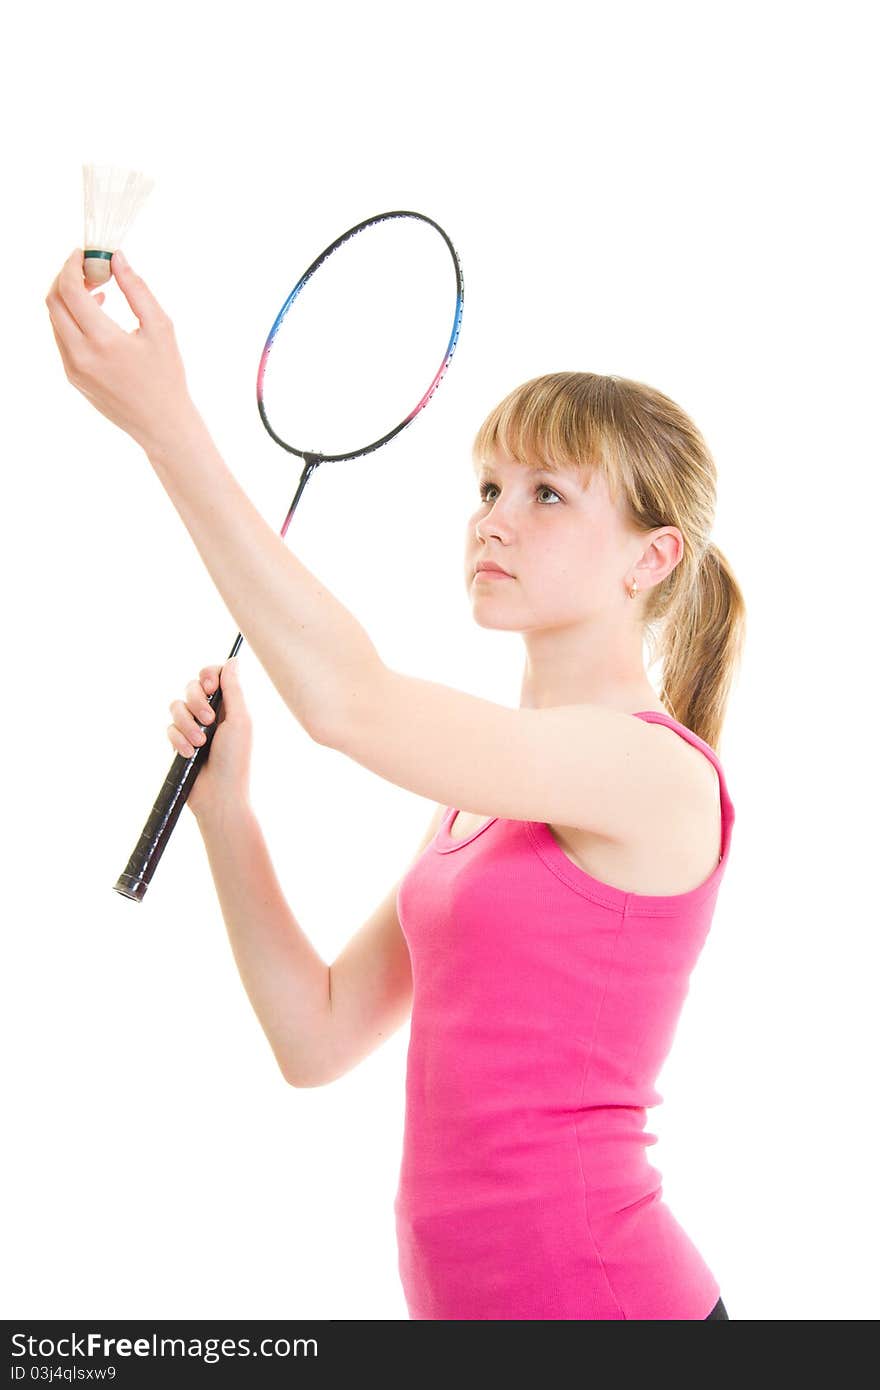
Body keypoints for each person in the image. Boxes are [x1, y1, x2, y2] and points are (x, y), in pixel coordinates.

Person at [46, 251, 746, 1320]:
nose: (493, 519)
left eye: (547, 493)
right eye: (488, 487)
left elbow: (350, 703)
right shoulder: (479, 789)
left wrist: (167, 426)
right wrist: (227, 813)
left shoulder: (651, 771)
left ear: (651, 559)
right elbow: (316, 1036)